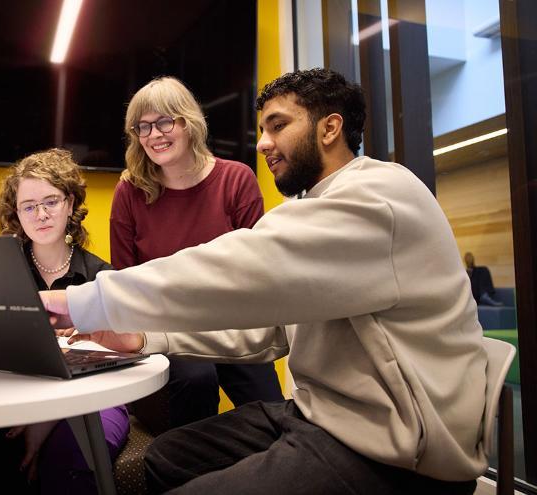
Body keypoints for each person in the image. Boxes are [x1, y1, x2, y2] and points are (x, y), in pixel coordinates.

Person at [41, 68, 487, 494]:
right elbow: (269, 328)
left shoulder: (378, 196)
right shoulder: (317, 204)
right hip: (321, 414)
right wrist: (142, 336)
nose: (263, 144)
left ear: (329, 128)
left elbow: (243, 268)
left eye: (277, 126)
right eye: (262, 130)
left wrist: (85, 301)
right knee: (163, 457)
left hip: (393, 448)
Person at [110, 76, 282, 432]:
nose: (153, 134)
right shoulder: (130, 190)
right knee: (196, 379)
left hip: (233, 325)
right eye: (142, 127)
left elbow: (260, 271)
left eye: (164, 121)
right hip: (165, 330)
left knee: (275, 417)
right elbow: (123, 279)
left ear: (188, 122)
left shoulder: (237, 179)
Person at [0, 148, 130, 494]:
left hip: (93, 397)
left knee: (75, 454)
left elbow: (117, 358)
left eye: (51, 201)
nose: (41, 214)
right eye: (28, 206)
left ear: (70, 203)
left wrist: (50, 416)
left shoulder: (102, 276)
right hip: (14, 393)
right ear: (16, 214)